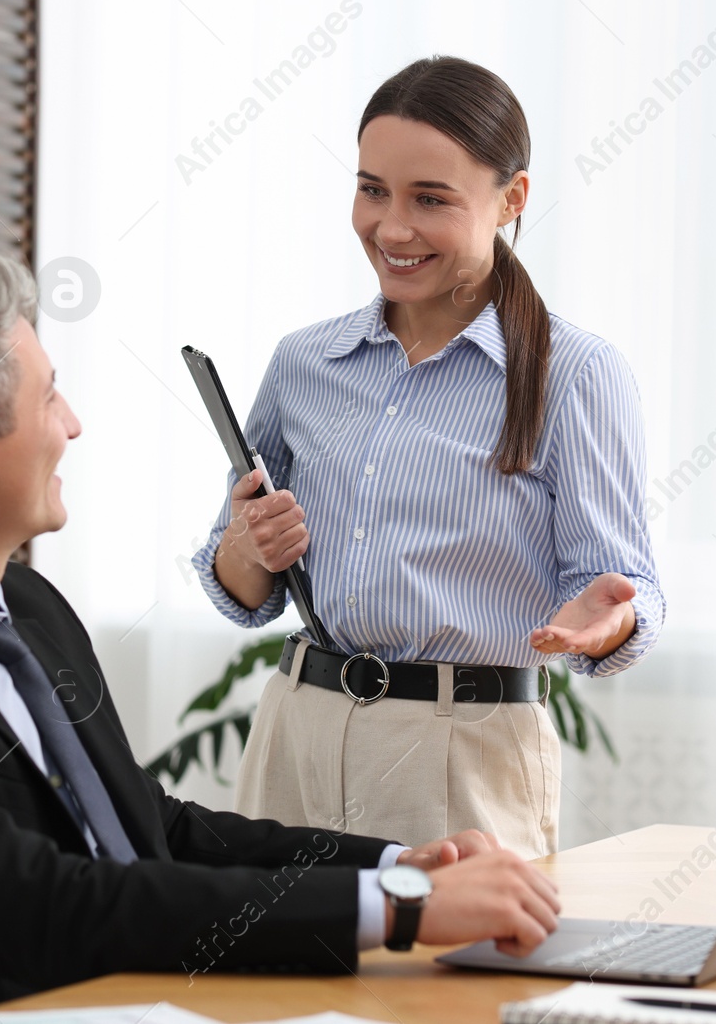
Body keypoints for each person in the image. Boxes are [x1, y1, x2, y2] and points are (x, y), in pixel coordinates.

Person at [0, 247, 563, 1024]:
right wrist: (398, 912)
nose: (72, 423)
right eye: (47, 397)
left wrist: (394, 868)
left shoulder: (26, 606)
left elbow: (151, 831)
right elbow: (48, 906)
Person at [193, 57, 665, 860]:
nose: (392, 227)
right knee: (268, 980)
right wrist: (247, 548)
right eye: (373, 189)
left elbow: (627, 588)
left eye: (431, 199)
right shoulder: (305, 362)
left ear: (512, 199)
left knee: (451, 983)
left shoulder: (573, 374)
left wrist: (607, 619)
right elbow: (241, 588)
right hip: (297, 734)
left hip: (464, 755)